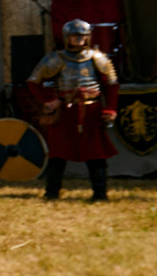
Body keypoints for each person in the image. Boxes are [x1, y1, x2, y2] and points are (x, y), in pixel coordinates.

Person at [26, 18, 119, 202]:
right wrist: (49, 100)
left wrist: (110, 109)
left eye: (82, 36)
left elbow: (111, 85)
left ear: (88, 37)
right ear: (66, 38)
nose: (79, 40)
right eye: (74, 36)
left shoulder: (98, 58)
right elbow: (33, 82)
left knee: (95, 153)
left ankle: (100, 194)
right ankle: (52, 193)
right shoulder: (55, 59)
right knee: (58, 153)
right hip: (66, 112)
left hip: (91, 111)